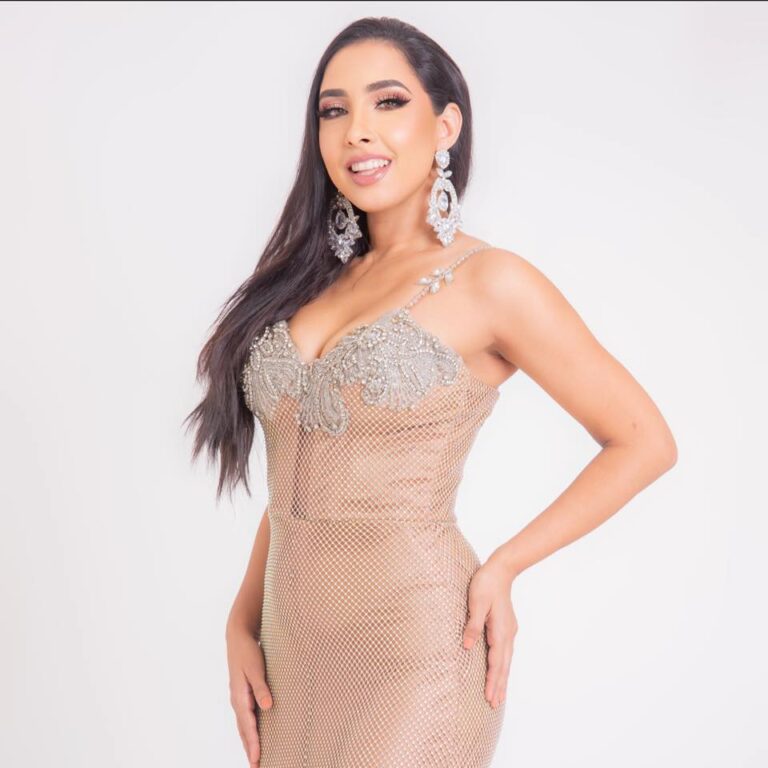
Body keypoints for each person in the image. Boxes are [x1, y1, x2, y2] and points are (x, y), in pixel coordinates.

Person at [184, 16, 677, 768]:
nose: (357, 130)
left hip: (416, 647)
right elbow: (299, 477)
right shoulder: (305, 285)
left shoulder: (492, 282)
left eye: (388, 102)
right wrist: (240, 619)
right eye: (334, 110)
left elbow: (644, 442)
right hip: (289, 650)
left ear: (446, 125)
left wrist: (505, 565)